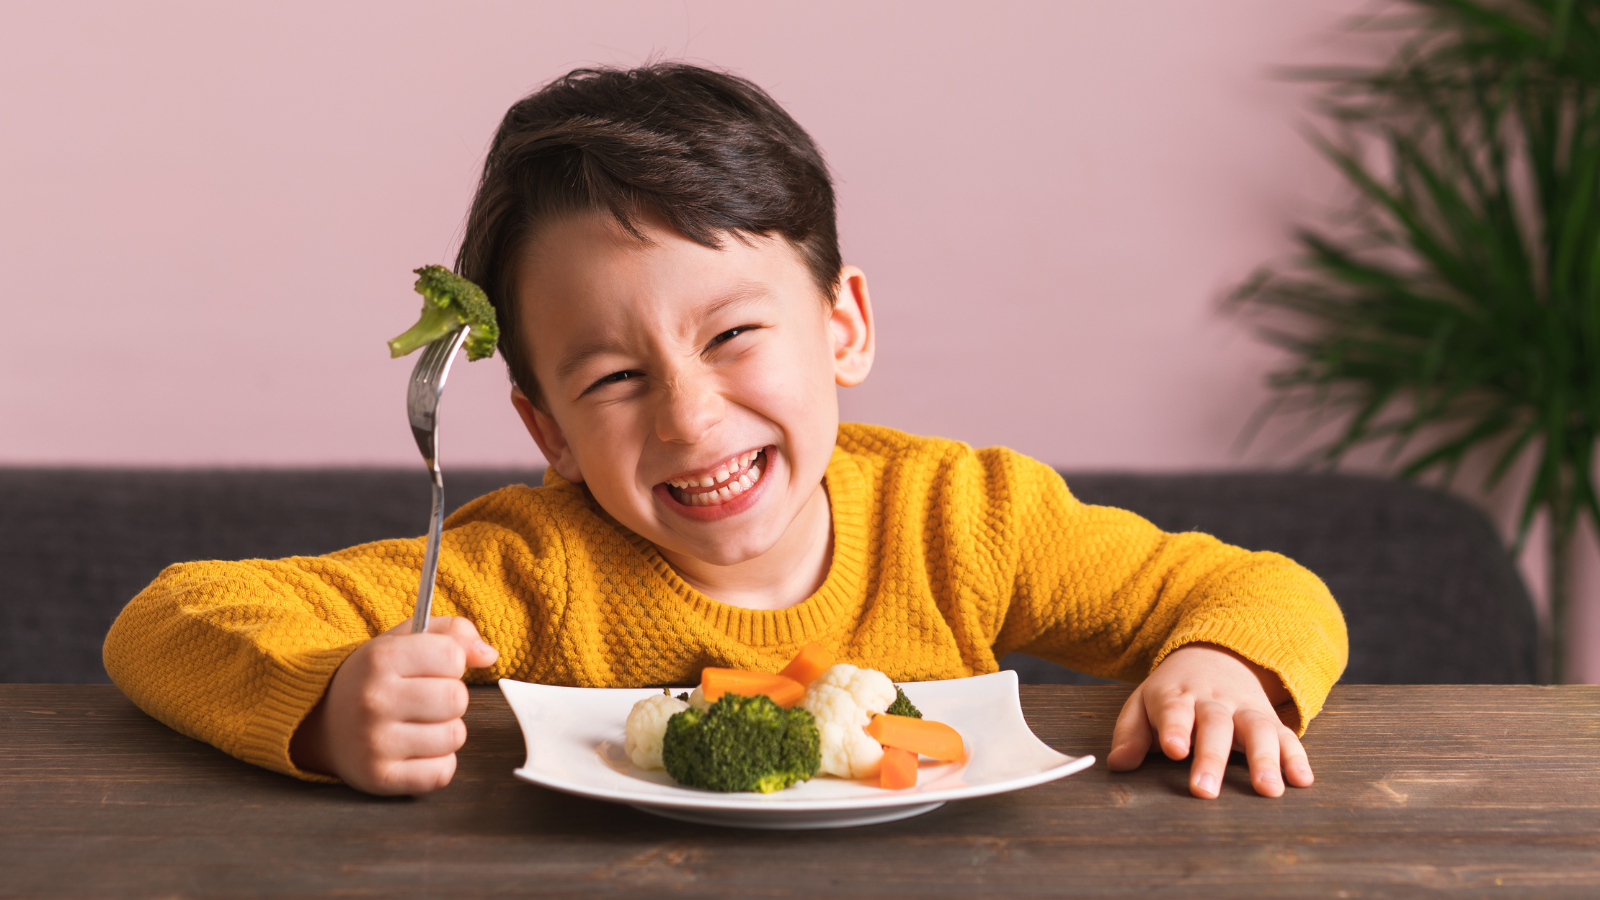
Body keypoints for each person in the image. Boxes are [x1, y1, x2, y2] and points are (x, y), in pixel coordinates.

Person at [103, 63, 1347, 801]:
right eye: (609, 379)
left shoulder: (965, 520)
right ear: (543, 426)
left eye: (734, 336)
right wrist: (326, 707)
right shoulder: (522, 573)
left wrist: (1228, 665)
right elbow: (166, 622)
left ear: (843, 324)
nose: (691, 417)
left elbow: (1258, 587)